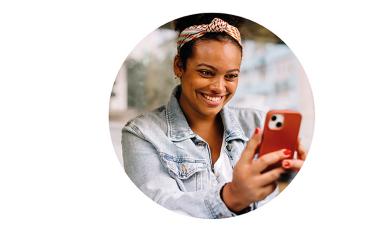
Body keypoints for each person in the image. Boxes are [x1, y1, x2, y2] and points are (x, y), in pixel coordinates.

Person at [122, 13, 306, 219]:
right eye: (206, 73)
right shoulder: (142, 133)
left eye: (231, 76)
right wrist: (233, 196)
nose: (219, 88)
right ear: (179, 66)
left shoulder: (257, 124)